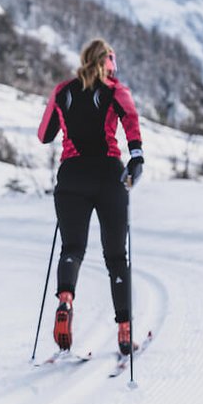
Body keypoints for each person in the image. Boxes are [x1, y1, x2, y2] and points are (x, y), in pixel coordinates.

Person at [37, 38, 143, 357]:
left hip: (71, 176)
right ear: (109, 61)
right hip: (109, 176)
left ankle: (65, 300)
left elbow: (45, 135)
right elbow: (131, 120)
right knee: (115, 257)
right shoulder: (114, 90)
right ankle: (125, 331)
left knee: (72, 248)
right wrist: (136, 157)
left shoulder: (63, 90)